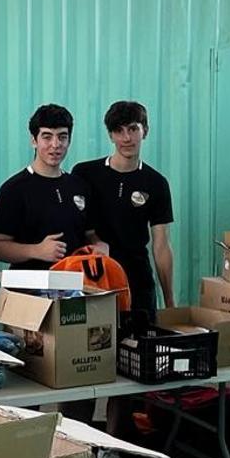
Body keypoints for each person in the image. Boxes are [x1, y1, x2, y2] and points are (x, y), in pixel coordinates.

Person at [72, 100, 175, 326]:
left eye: (133, 129)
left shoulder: (156, 183)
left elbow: (161, 245)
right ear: (110, 135)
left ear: (144, 131)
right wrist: (95, 240)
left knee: (141, 351)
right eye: (119, 131)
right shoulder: (84, 173)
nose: (126, 138)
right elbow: (75, 224)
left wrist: (169, 303)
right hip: (94, 278)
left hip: (138, 281)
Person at [0, 103, 107, 268]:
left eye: (62, 136)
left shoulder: (80, 186)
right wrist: (36, 250)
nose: (55, 144)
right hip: (29, 290)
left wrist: (99, 245)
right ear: (34, 140)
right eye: (47, 136)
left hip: (76, 288)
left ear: (69, 140)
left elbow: (90, 234)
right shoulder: (14, 189)